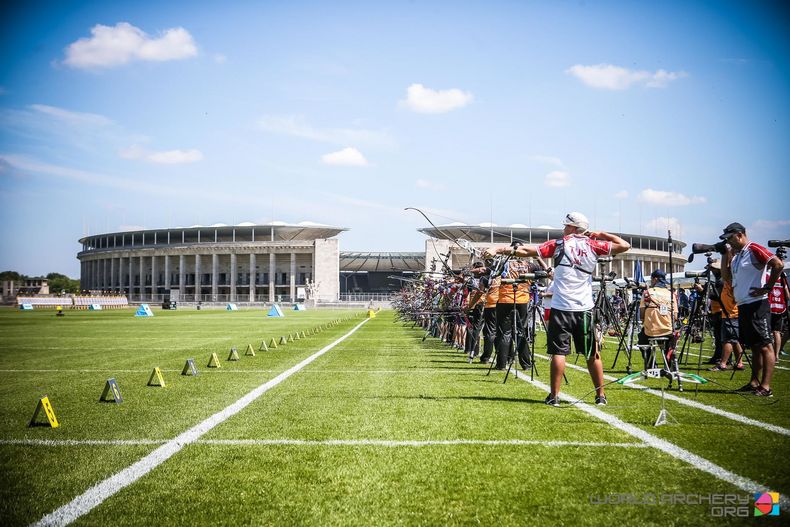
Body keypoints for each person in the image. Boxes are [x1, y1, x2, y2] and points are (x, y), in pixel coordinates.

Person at [486, 211, 630, 406]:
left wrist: (500, 250)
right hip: (585, 308)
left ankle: (554, 396)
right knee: (591, 353)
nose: (563, 229)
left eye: (566, 226)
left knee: (559, 353)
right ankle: (601, 395)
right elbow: (625, 246)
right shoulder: (594, 244)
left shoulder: (560, 244)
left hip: (561, 307)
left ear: (572, 228)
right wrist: (601, 233)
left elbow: (528, 252)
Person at [720, 222, 784, 397]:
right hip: (744, 305)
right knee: (755, 347)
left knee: (765, 345)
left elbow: (778, 264)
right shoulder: (737, 255)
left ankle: (766, 386)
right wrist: (725, 254)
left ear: (740, 234)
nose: (729, 242)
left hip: (757, 304)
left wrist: (768, 288)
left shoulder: (753, 248)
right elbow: (726, 277)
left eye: (730, 238)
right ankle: (754, 382)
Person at [495, 253, 540, 370]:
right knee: (522, 332)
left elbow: (492, 274)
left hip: (505, 300)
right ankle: (526, 364)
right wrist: (538, 258)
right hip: (522, 301)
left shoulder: (505, 263)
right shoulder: (529, 264)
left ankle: (501, 364)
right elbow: (544, 271)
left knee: (505, 332)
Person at [638, 269, 678, 370]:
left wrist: (645, 320)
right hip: (667, 330)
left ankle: (651, 364)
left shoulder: (647, 293)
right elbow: (676, 316)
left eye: (651, 279)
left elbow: (642, 313)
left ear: (655, 279)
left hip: (651, 330)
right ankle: (669, 365)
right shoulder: (671, 294)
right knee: (669, 342)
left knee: (642, 340)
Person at [707, 261, 743, 371]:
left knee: (727, 340)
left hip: (730, 313)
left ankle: (722, 363)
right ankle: (739, 363)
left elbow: (719, 297)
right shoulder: (728, 281)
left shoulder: (726, 282)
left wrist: (707, 292)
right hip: (730, 313)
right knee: (734, 340)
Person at [768, 272, 789, 360]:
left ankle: (767, 354)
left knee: (767, 332)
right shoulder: (782, 277)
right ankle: (776, 356)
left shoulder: (767, 275)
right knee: (777, 332)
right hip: (780, 308)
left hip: (768, 307)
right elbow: (787, 295)